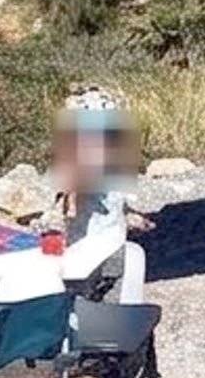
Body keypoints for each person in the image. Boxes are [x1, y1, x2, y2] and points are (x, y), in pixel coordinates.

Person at [51, 85, 147, 303]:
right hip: (97, 233)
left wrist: (70, 201)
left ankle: (86, 303)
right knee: (97, 277)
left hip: (98, 235)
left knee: (92, 277)